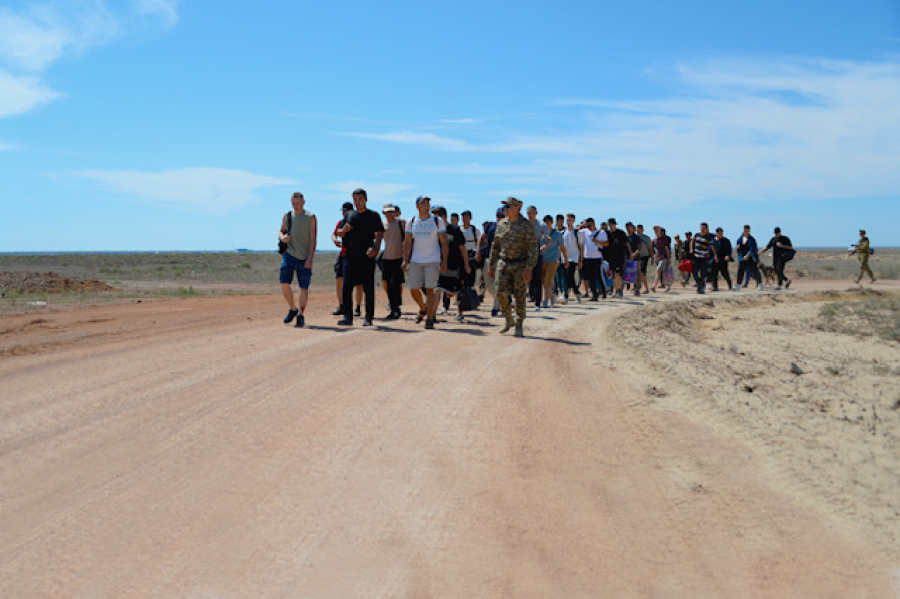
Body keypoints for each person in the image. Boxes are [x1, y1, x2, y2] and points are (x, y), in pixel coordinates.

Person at [489, 197, 538, 337]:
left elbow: (532, 248)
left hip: (520, 264)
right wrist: (492, 264)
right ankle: (508, 319)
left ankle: (519, 324)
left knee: (520, 295)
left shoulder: (526, 225)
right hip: (503, 263)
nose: (505, 209)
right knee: (500, 292)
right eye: (505, 206)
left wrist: (529, 267)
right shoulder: (501, 224)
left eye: (508, 206)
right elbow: (495, 245)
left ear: (517, 208)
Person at [336, 188, 384, 327]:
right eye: (355, 199)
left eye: (360, 199)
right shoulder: (349, 215)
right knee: (347, 287)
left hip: (367, 257)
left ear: (366, 199)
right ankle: (348, 317)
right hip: (350, 256)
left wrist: (375, 247)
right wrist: (343, 230)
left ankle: (368, 317)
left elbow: (380, 232)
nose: (357, 202)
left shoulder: (373, 215)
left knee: (368, 288)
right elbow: (339, 232)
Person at [402, 196, 449, 330]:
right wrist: (406, 260)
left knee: (430, 290)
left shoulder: (437, 221)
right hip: (416, 260)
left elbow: (444, 242)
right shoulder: (411, 221)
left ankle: (429, 319)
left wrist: (444, 261)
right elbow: (408, 242)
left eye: (428, 203)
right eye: (423, 203)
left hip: (433, 260)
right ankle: (423, 308)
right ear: (417, 206)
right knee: (413, 289)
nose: (426, 206)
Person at [278, 192, 317, 328]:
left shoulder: (310, 217)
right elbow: (281, 231)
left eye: (298, 203)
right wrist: (283, 237)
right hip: (289, 255)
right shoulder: (287, 216)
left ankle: (300, 314)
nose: (295, 205)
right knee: (284, 283)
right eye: (293, 203)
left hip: (304, 257)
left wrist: (310, 259)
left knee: (303, 288)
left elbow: (313, 239)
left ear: (303, 202)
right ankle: (293, 309)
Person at [432, 205, 471, 321]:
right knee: (437, 290)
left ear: (443, 217)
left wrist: (466, 264)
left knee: (457, 290)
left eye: (436, 217)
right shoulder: (435, 231)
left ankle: (460, 312)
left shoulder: (455, 230)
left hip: (455, 265)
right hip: (440, 265)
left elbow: (463, 249)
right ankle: (432, 315)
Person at [331, 202, 362, 316]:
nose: (344, 213)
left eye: (347, 211)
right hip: (343, 254)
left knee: (358, 284)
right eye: (343, 211)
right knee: (339, 280)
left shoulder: (357, 221)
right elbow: (334, 234)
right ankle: (342, 306)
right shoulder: (341, 222)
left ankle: (358, 307)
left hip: (356, 255)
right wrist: (335, 240)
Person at [379, 203, 405, 319]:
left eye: (391, 211)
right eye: (387, 212)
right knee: (387, 284)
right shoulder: (382, 225)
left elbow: (408, 239)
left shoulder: (401, 223)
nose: (390, 214)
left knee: (395, 284)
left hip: (398, 258)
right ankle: (393, 306)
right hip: (386, 258)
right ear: (383, 212)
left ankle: (396, 308)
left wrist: (406, 258)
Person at [479, 207, 505, 316]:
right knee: (489, 284)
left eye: (502, 216)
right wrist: (478, 252)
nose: (499, 218)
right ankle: (502, 300)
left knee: (498, 283)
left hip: (502, 259)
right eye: (498, 215)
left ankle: (495, 308)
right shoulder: (490, 226)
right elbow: (481, 239)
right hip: (489, 259)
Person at [540, 214, 567, 307]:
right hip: (543, 260)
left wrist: (566, 259)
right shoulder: (541, 234)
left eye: (549, 222)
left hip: (553, 260)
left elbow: (562, 248)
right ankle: (551, 297)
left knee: (549, 280)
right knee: (544, 282)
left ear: (552, 222)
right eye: (545, 222)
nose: (547, 224)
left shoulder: (558, 234)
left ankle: (545, 301)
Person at [526, 205, 549, 310]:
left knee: (537, 278)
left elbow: (549, 239)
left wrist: (545, 245)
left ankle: (537, 303)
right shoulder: (523, 224)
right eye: (529, 213)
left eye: (533, 213)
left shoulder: (541, 225)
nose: (531, 215)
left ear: (536, 213)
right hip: (524, 253)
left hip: (536, 252)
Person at [580, 218, 607, 300]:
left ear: (594, 223)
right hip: (587, 257)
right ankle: (594, 294)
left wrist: (596, 241)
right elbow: (576, 230)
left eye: (590, 225)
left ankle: (603, 290)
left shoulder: (601, 232)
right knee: (590, 277)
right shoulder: (585, 231)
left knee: (597, 275)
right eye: (587, 225)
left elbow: (606, 243)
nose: (588, 227)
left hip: (597, 257)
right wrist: (582, 224)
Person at [605, 218, 631, 298]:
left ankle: (619, 290)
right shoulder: (607, 234)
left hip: (620, 256)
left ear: (615, 224)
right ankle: (616, 290)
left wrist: (630, 253)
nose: (611, 226)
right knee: (612, 275)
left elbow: (627, 243)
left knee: (618, 273)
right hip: (611, 257)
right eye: (610, 225)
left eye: (612, 224)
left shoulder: (620, 233)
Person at [561, 213, 583, 304]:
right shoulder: (563, 233)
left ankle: (565, 296)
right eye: (567, 220)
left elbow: (581, 247)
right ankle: (577, 293)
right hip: (564, 258)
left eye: (570, 220)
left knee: (568, 276)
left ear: (574, 221)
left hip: (574, 257)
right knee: (568, 277)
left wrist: (581, 260)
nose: (568, 221)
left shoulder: (577, 233)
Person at [690, 222, 717, 294]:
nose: (702, 229)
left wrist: (715, 256)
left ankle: (701, 288)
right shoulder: (696, 235)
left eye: (704, 228)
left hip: (704, 258)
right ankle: (700, 284)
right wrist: (691, 249)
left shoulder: (709, 237)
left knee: (703, 273)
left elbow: (712, 247)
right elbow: (692, 241)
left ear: (707, 229)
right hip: (696, 257)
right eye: (701, 228)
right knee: (694, 272)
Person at [735, 224, 763, 290]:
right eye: (744, 230)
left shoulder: (752, 239)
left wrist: (748, 255)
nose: (745, 231)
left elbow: (753, 249)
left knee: (755, 270)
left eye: (747, 230)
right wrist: (738, 248)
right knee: (740, 271)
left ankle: (760, 284)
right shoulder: (740, 239)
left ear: (749, 231)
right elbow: (738, 246)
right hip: (742, 258)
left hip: (750, 258)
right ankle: (738, 285)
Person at [460, 210, 480, 289]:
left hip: (471, 255)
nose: (464, 218)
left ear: (470, 218)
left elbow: (479, 242)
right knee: (461, 277)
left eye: (466, 217)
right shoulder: (459, 229)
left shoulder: (475, 230)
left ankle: (470, 296)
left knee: (471, 277)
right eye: (463, 216)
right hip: (461, 255)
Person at [651, 226, 671, 292]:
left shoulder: (664, 239)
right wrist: (652, 257)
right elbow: (652, 250)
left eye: (657, 230)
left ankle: (654, 286)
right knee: (662, 272)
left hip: (664, 257)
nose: (656, 231)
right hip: (658, 257)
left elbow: (666, 248)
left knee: (658, 270)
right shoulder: (654, 240)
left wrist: (669, 258)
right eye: (655, 230)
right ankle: (665, 286)